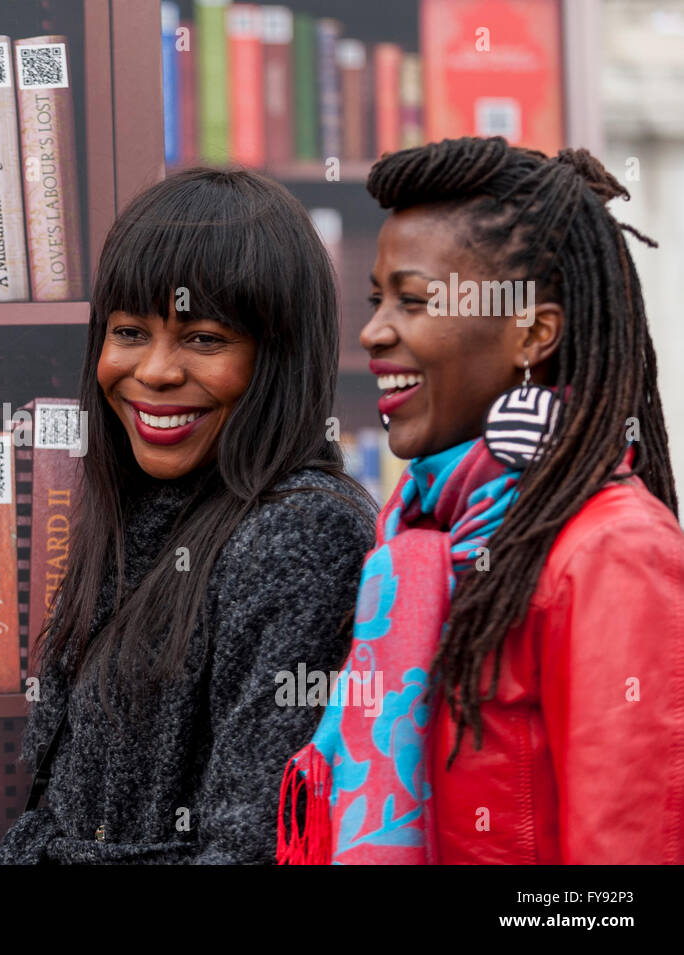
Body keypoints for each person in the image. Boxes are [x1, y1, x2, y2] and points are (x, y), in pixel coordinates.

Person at [279, 136, 684, 864]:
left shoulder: (612, 548)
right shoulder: (428, 530)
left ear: (531, 332)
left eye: (414, 300)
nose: (372, 330)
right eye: (377, 300)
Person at [0, 167, 376, 864]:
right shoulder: (140, 511)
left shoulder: (302, 533)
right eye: (131, 330)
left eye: (203, 338)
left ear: (278, 359)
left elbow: (253, 845)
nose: (157, 371)